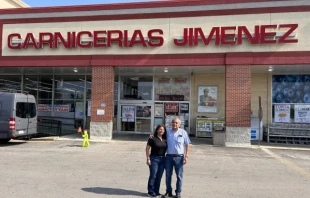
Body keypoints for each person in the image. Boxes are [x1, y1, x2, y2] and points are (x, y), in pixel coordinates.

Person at [164, 118, 191, 198]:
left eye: (176, 123)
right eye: (173, 122)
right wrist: (152, 136)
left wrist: (186, 156)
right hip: (169, 157)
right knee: (168, 175)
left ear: (179, 124)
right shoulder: (167, 132)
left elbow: (187, 144)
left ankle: (178, 192)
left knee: (179, 176)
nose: (174, 124)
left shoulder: (183, 132)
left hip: (179, 157)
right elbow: (159, 136)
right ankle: (168, 191)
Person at [146, 124, 167, 197]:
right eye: (160, 129)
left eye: (163, 130)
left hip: (163, 159)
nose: (161, 131)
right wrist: (148, 158)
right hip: (154, 159)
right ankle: (150, 191)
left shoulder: (165, 139)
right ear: (157, 130)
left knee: (159, 176)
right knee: (153, 175)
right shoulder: (152, 138)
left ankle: (156, 191)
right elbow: (147, 148)